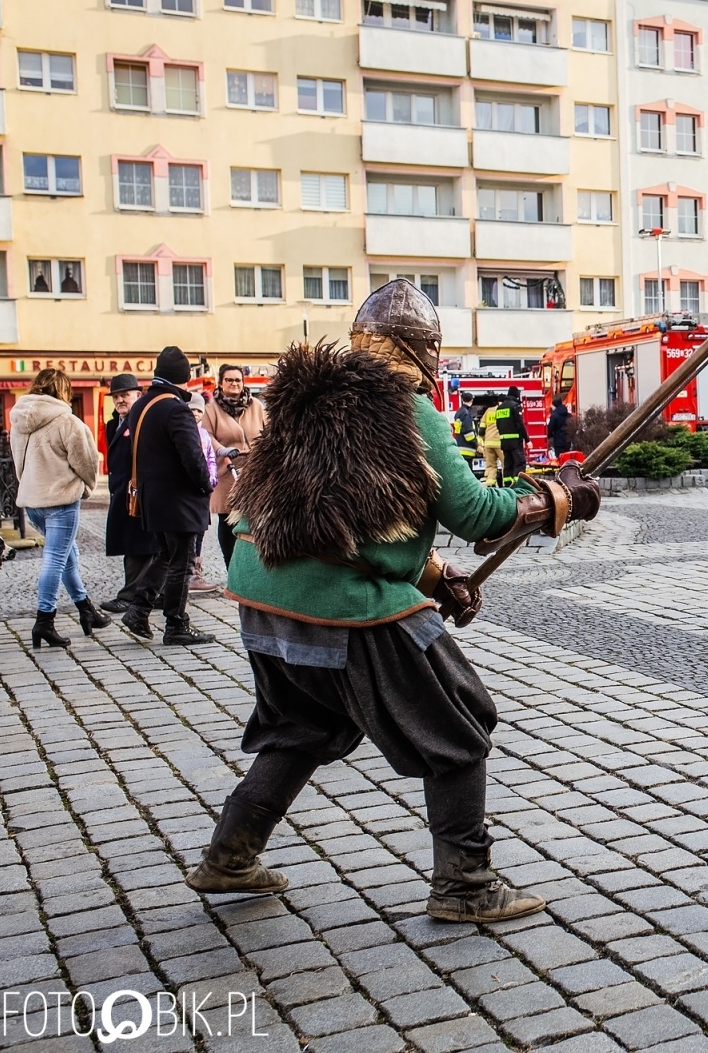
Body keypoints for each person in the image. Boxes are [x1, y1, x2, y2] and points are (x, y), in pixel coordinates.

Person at [190, 279, 601, 922]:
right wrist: (556, 500)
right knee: (460, 718)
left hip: (262, 589)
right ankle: (463, 886)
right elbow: (476, 512)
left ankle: (229, 857)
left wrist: (434, 579)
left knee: (303, 727)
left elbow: (348, 515)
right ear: (418, 349)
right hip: (339, 601)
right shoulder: (411, 411)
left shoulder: (306, 404)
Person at [120, 346, 218, 646]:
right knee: (182, 561)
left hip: (153, 498)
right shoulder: (175, 408)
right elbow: (192, 455)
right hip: (179, 501)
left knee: (165, 556)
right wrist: (205, 485)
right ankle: (176, 624)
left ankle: (138, 609)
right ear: (184, 378)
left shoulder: (142, 405)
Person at [11, 368, 108, 648]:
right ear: (63, 390)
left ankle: (85, 609)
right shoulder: (68, 421)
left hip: (34, 502)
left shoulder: (19, 419)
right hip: (61, 501)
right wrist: (87, 487)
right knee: (55, 557)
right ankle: (45, 620)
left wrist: (29, 486)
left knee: (67, 554)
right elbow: (87, 462)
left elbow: (19, 463)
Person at [102, 373, 163, 615]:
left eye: (125, 395)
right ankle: (149, 593)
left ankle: (132, 595)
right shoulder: (112, 424)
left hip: (139, 491)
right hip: (121, 492)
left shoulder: (142, 421)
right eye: (116, 396)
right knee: (132, 543)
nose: (120, 400)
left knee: (140, 544)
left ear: (138, 395)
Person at [201, 364, 267, 569]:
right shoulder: (212, 408)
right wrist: (222, 450)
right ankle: (231, 565)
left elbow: (268, 431)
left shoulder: (256, 405)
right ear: (221, 383)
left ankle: (253, 566)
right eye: (229, 380)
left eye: (237, 380)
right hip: (226, 470)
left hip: (253, 470)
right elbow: (206, 434)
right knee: (227, 518)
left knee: (254, 519)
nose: (234, 384)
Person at [186, 393, 224, 595]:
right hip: (189, 492)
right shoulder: (183, 432)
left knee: (201, 529)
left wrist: (211, 480)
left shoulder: (204, 435)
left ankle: (195, 570)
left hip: (204, 491)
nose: (195, 413)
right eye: (192, 409)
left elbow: (210, 459)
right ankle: (188, 572)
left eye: (199, 410)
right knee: (189, 532)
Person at [499, 386, 527, 481]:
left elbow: (498, 425)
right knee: (520, 463)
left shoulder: (500, 408)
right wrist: (527, 439)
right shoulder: (515, 406)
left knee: (508, 465)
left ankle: (507, 487)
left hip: (504, 443)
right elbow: (520, 424)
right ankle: (519, 486)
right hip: (515, 442)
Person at [478, 395, 504, 487]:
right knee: (506, 465)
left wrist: (483, 440)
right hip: (500, 443)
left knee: (491, 466)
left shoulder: (488, 411)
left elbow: (481, 430)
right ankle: (507, 486)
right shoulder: (503, 411)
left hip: (488, 443)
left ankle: (490, 485)